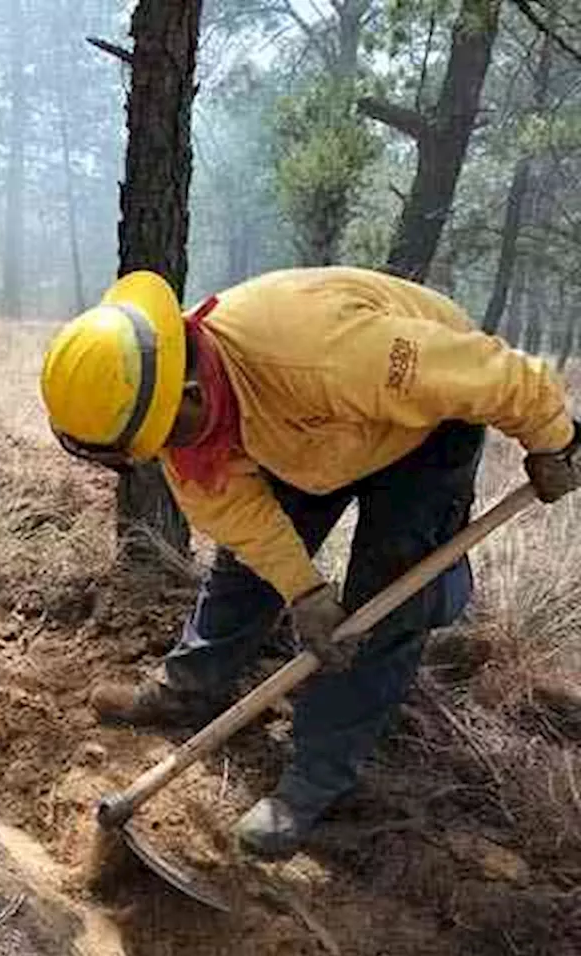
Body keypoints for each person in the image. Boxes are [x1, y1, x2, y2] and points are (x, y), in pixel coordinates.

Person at [39, 266, 580, 860]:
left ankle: (314, 779)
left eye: (165, 436)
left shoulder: (324, 355)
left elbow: (500, 375)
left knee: (387, 604)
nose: (164, 453)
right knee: (244, 574)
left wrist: (555, 440)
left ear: (191, 394)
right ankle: (188, 689)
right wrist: (304, 591)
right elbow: (245, 522)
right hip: (297, 434)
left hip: (420, 429)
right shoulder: (170, 406)